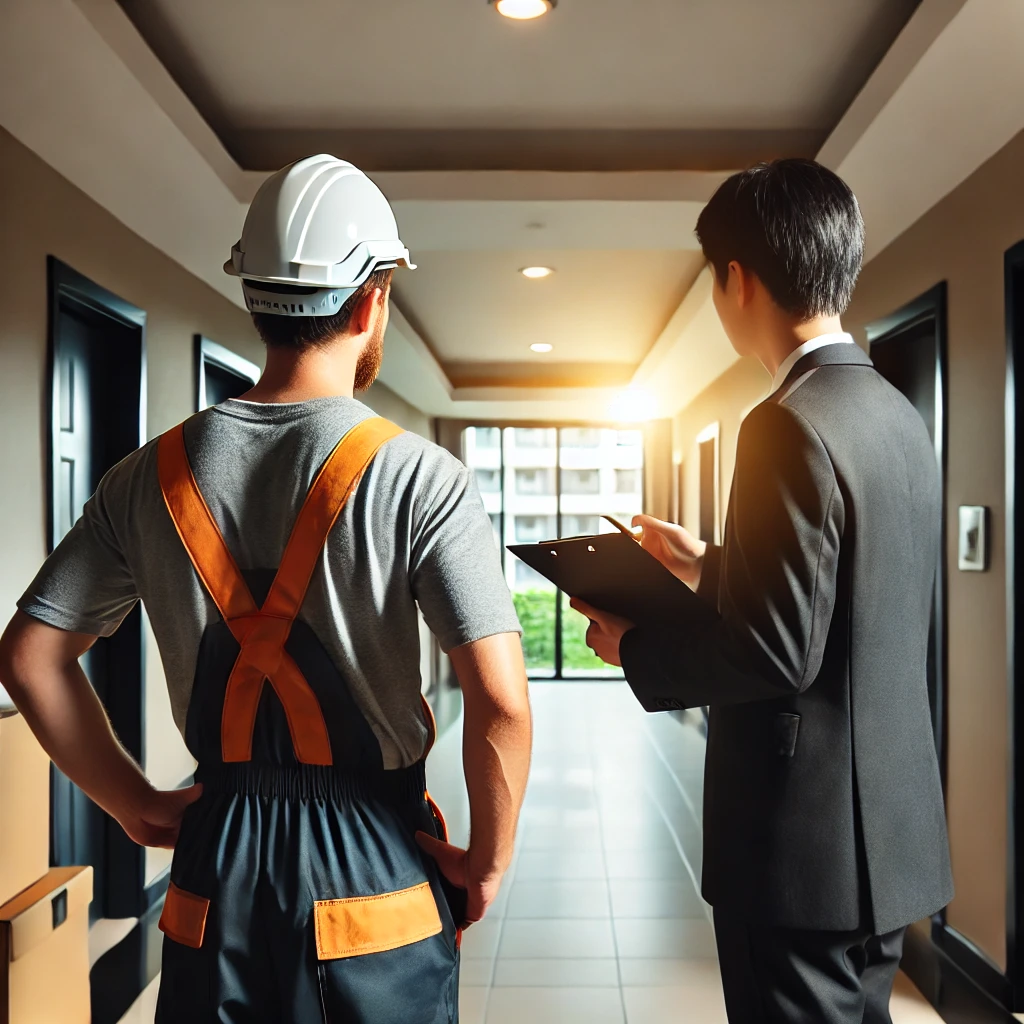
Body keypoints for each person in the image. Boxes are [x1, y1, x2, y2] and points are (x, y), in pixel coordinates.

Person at [0, 154, 532, 1023]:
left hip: (216, 868)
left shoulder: (146, 478)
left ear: (254, 298)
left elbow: (29, 659)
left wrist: (132, 803)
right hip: (377, 871)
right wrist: (488, 859)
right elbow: (501, 701)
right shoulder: (420, 479)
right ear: (373, 299)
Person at [574, 158, 952, 1024]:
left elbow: (775, 652)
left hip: (797, 848)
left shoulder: (785, 422)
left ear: (737, 280)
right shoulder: (896, 415)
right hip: (886, 835)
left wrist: (632, 645)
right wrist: (710, 563)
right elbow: (846, 597)